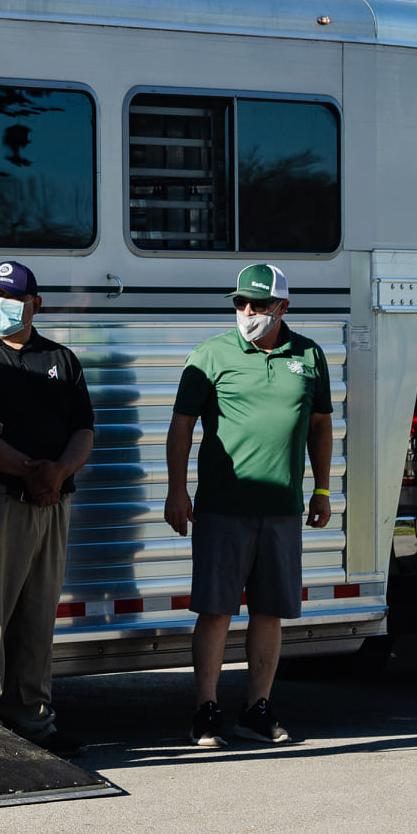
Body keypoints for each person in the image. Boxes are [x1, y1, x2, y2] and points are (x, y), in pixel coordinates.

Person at [164, 262, 333, 747]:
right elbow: (181, 428)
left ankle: (256, 708)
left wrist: (322, 489)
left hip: (282, 507)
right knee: (216, 610)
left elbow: (319, 425)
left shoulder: (309, 355)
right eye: (240, 303)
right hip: (222, 507)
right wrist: (178, 491)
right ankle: (206, 709)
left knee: (269, 611)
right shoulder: (211, 354)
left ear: (283, 307)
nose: (247, 312)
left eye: (258, 304)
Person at [0, 259, 95, 756]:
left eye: (11, 297)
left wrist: (58, 473)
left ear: (36, 303)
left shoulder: (61, 359)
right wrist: (32, 472)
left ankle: (33, 720)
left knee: (38, 616)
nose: (0, 304)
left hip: (53, 502)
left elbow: (84, 430)